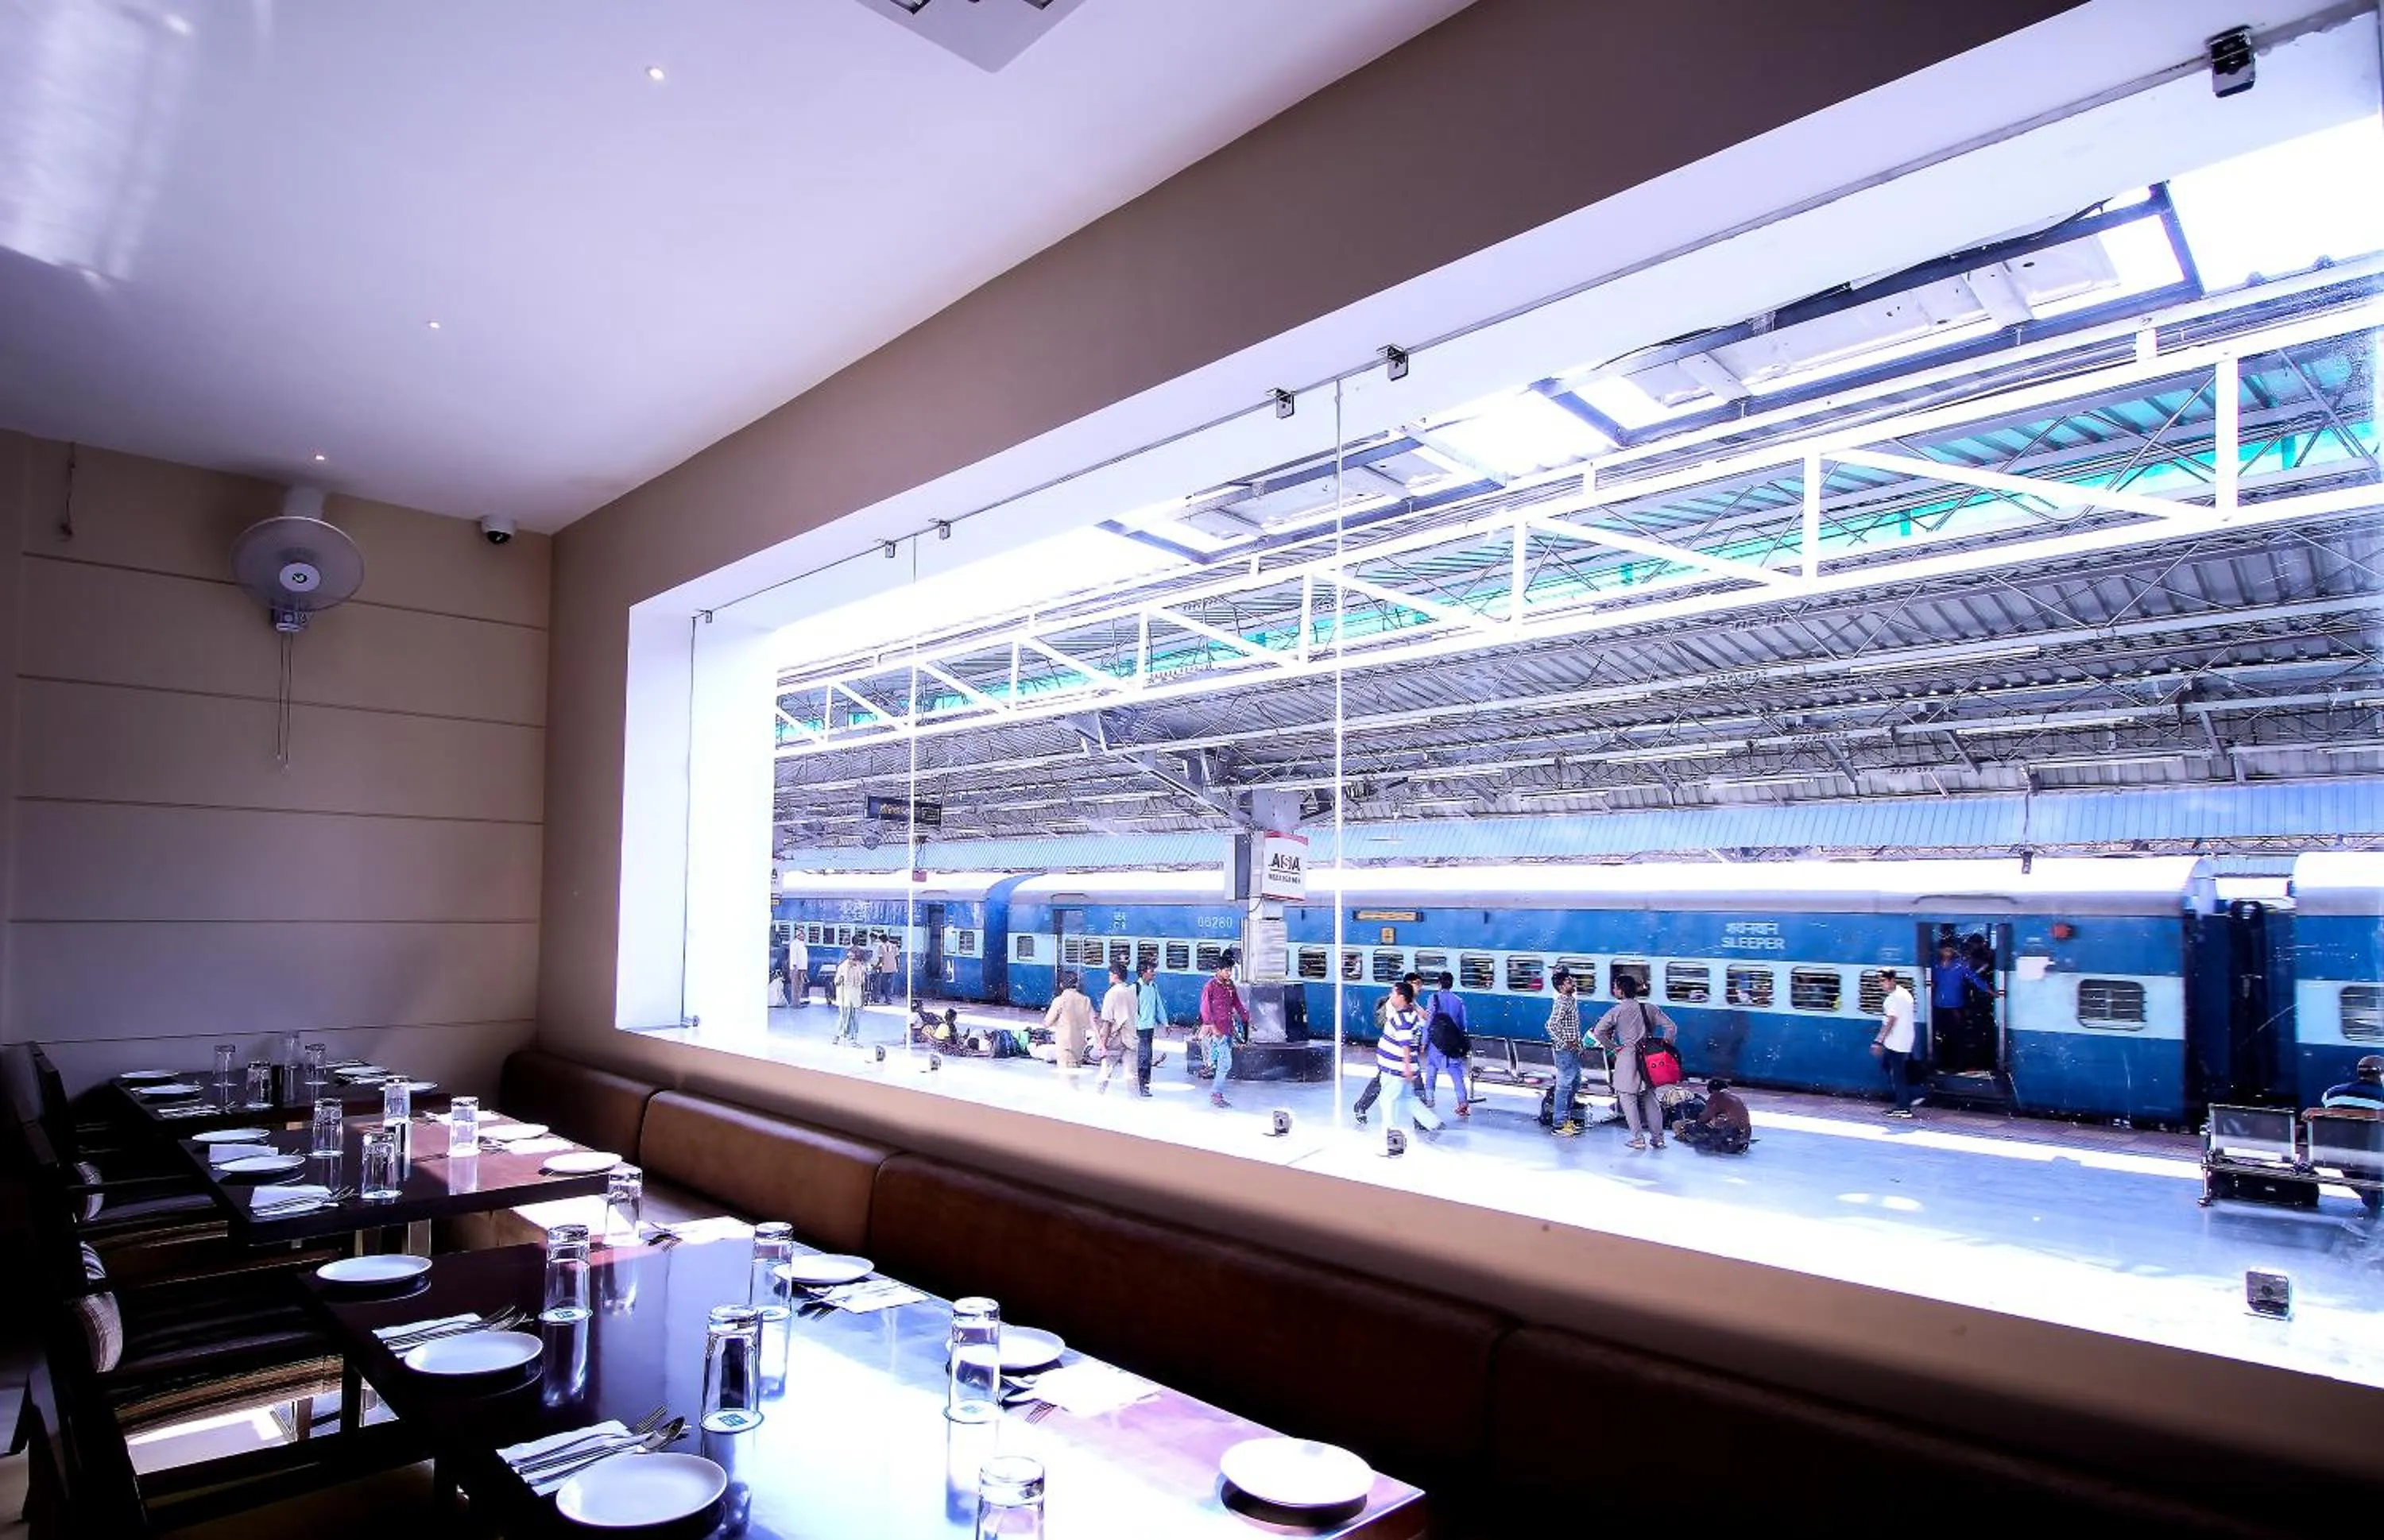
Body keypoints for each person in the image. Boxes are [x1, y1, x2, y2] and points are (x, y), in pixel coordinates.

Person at [1595, 975, 1678, 1150]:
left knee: (1628, 1098)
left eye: (1616, 987)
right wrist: (1665, 1045)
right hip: (1648, 1058)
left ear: (1622, 990)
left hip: (1627, 1056)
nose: (1614, 990)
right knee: (1650, 1097)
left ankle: (1638, 1138)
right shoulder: (1648, 1008)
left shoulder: (1616, 1011)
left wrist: (1613, 1047)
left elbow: (1598, 1032)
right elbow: (1671, 1027)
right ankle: (1658, 1138)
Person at [1373, 981, 1442, 1152]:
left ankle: (1392, 1142)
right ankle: (1434, 1124)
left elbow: (1404, 1043)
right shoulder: (1412, 1015)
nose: (1391, 996)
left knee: (1387, 1101)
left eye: (1394, 994)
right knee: (1407, 1099)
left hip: (1396, 1069)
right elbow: (1425, 1017)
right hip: (1403, 1068)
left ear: (1402, 997)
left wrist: (1406, 1067)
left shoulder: (1401, 1019)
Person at [1354, 971, 1423, 1126]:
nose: (1421, 987)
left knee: (1411, 1087)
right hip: (1396, 1054)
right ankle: (1362, 1107)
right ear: (1409, 985)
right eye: (1417, 984)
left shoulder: (1412, 1003)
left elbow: (1422, 1019)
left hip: (1405, 1055)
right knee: (1385, 1084)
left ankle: (1420, 1121)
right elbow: (1406, 1027)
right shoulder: (1396, 1003)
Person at [2320, 1056, 2384, 1218]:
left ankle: (2371, 1196)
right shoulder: (2381, 1097)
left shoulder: (2332, 1094)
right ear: (2381, 1074)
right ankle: (2373, 1197)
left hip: (2340, 1155)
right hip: (2374, 1155)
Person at [1929, 942, 1997, 1065]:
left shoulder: (1960, 966)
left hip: (1955, 1007)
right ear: (1940, 951)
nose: (1948, 952)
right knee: (1939, 1035)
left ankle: (1957, 1064)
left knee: (1956, 1036)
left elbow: (1975, 979)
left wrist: (1991, 991)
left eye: (1950, 950)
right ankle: (1942, 1063)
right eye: (1945, 950)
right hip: (1938, 1006)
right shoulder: (1934, 965)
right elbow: (1931, 981)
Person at [1198, 952, 1248, 1109]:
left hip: (1227, 1029)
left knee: (1219, 1060)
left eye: (1230, 970)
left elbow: (1237, 1003)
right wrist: (1212, 1027)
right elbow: (1205, 1010)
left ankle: (1209, 1067)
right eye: (1226, 970)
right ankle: (1216, 1094)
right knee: (1225, 1063)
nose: (1229, 973)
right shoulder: (1210, 987)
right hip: (1217, 1031)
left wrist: (1245, 1016)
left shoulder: (1230, 985)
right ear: (1218, 970)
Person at [1422, 971, 1473, 1116]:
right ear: (1452, 984)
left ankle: (1430, 1098)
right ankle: (1462, 1102)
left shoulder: (1433, 998)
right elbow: (1463, 1025)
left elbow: (1429, 1021)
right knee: (1456, 1072)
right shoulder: (1458, 1001)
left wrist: (1424, 1041)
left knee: (1432, 1069)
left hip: (1436, 1043)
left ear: (1439, 983)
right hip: (1452, 1043)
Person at [1546, 967, 1585, 1138]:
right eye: (1569, 982)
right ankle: (1559, 1124)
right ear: (1561, 987)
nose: (1573, 983)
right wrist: (1564, 1043)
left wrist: (1578, 1046)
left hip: (1573, 1051)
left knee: (1574, 1084)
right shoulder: (1562, 1001)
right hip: (1565, 1052)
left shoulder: (1570, 1000)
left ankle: (1565, 1120)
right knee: (1564, 1087)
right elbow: (1551, 1025)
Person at [1874, 969, 1918, 1117]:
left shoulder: (1895, 998)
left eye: (1883, 980)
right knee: (1889, 1067)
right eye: (1879, 981)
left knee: (1897, 1074)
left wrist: (1878, 1041)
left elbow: (1890, 1022)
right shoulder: (1903, 993)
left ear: (1892, 979)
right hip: (1902, 1039)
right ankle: (1907, 1098)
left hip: (1896, 1042)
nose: (1881, 984)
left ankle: (1904, 1107)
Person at [1676, 1078, 1753, 1155]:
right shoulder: (1736, 1098)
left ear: (1713, 1090)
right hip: (1744, 1140)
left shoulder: (1717, 1097)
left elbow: (1703, 1119)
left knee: (1689, 1127)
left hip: (1729, 1140)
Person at [1094, 961, 1138, 1093]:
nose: (1109, 977)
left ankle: (1098, 1097)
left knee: (1105, 1072)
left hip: (1115, 1040)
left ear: (1115, 976)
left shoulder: (1112, 993)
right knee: (1131, 1075)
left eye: (1110, 974)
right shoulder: (1132, 991)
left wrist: (1103, 1043)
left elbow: (1107, 1022)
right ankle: (1134, 1101)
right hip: (1131, 1038)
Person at [1044, 969, 1093, 1078]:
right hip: (1080, 1046)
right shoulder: (1086, 1000)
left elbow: (1047, 1022)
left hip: (1065, 1046)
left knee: (1066, 1079)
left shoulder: (1059, 1000)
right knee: (1075, 1078)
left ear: (1062, 985)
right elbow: (1091, 1021)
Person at [1132, 958, 1165, 1098]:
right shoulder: (1134, 988)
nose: (1154, 974)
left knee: (1147, 1057)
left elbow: (1159, 1006)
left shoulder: (1153, 987)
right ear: (1143, 973)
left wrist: (1165, 1023)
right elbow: (1130, 1009)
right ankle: (1141, 1086)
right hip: (1139, 1028)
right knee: (1143, 1058)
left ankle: (1145, 1085)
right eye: (1151, 971)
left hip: (1149, 1027)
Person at [831, 946, 870, 1046]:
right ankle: (837, 1036)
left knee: (855, 1018)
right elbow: (836, 981)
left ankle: (853, 1039)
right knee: (844, 1016)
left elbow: (863, 981)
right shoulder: (842, 967)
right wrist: (839, 981)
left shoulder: (861, 967)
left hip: (856, 995)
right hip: (845, 994)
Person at [873, 932, 900, 1006]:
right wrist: (898, 966)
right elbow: (897, 958)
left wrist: (876, 966)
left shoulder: (881, 947)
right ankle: (889, 999)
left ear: (882, 940)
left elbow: (881, 959)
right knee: (891, 984)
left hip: (885, 968)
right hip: (893, 967)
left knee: (885, 984)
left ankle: (887, 998)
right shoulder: (894, 946)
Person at [787, 932, 811, 1008]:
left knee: (800, 986)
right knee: (795, 986)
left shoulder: (802, 944)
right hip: (796, 968)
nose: (803, 936)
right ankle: (795, 1004)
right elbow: (793, 955)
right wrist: (794, 966)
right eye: (801, 935)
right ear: (797, 936)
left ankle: (798, 1002)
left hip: (802, 968)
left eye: (804, 935)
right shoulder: (794, 944)